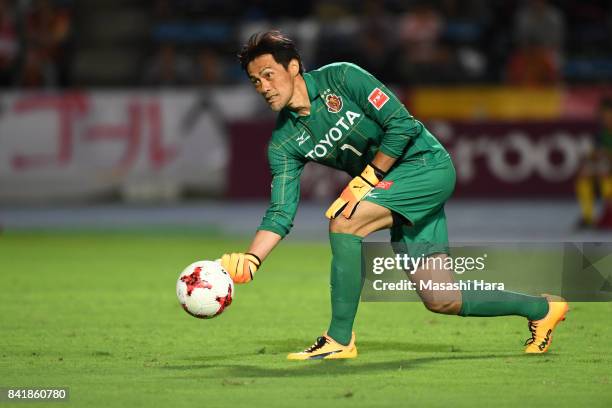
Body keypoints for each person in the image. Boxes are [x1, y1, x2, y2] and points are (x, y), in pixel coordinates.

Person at [220, 30, 568, 360]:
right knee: (441, 298)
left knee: (344, 222)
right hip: (393, 189)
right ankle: (542, 309)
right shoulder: (283, 143)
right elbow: (281, 211)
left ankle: (339, 339)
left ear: (293, 66)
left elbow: (401, 124)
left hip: (426, 166)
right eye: (255, 81)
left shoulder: (341, 77)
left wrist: (368, 176)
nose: (263, 87)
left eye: (268, 74)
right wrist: (252, 260)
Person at [575, 97, 612, 228]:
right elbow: (595, 155)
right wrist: (590, 159)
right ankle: (588, 217)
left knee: (604, 173)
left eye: (608, 115)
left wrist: (606, 156)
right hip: (606, 169)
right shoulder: (600, 135)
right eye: (603, 116)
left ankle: (609, 212)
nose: (606, 119)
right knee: (584, 175)